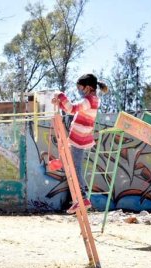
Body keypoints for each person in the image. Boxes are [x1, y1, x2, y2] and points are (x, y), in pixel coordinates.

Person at [52, 73, 108, 214]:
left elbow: (71, 108)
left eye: (81, 88)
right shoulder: (91, 100)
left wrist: (61, 95)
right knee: (73, 167)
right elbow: (71, 110)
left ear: (88, 88)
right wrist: (59, 103)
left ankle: (83, 198)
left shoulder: (90, 100)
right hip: (79, 137)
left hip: (79, 138)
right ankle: (79, 197)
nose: (80, 91)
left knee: (76, 169)